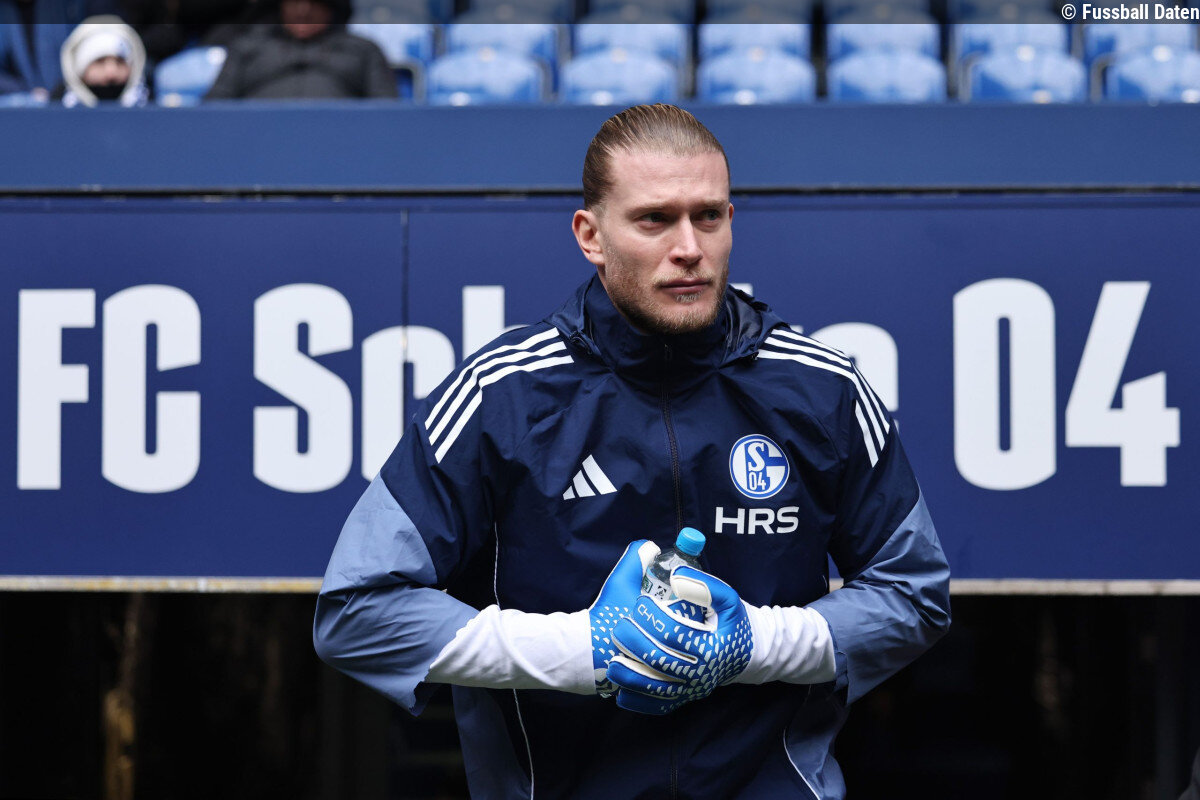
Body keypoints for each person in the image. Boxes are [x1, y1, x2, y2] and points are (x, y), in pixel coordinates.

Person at [314, 104, 951, 799]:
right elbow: (358, 611)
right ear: (590, 235)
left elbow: (912, 594)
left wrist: (754, 645)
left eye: (709, 216)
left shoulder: (823, 388)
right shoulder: (503, 396)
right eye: (654, 220)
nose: (689, 247)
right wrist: (587, 649)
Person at [203, 0, 396, 101]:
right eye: (294, 1)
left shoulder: (363, 50)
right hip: (256, 146)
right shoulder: (246, 47)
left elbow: (388, 116)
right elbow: (213, 113)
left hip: (341, 149)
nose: (303, 11)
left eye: (314, 2)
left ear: (332, 7)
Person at [57, 17, 148, 107]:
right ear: (79, 70)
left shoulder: (149, 100)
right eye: (100, 61)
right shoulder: (56, 102)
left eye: (119, 62)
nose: (111, 72)